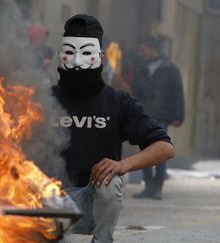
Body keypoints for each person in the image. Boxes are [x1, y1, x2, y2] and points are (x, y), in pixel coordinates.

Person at [52, 14, 174, 243]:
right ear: (60, 56)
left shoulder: (118, 102)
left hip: (93, 200)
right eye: (70, 52)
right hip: (47, 201)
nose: (77, 61)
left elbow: (164, 147)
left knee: (111, 181)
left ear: (100, 58)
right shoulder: (40, 99)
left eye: (86, 53)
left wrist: (122, 165)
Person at [131, 36, 185, 200]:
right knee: (145, 151)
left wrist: (178, 116)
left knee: (160, 151)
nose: (141, 53)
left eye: (143, 50)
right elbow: (135, 92)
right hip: (145, 115)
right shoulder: (140, 68)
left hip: (162, 115)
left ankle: (158, 187)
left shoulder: (170, 68)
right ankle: (148, 186)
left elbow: (177, 93)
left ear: (152, 48)